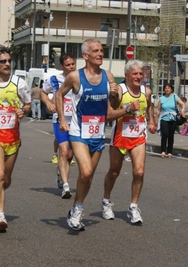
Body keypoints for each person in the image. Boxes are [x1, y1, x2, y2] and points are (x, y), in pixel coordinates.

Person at [56, 38, 122, 231]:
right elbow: (59, 94)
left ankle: (75, 208)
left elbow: (114, 107)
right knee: (85, 171)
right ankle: (78, 210)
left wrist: (114, 94)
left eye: (101, 50)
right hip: (78, 133)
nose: (100, 54)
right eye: (95, 51)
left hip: (98, 133)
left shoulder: (108, 75)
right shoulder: (76, 77)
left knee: (88, 176)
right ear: (85, 56)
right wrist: (62, 119)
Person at [101, 60, 156, 225]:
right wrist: (127, 109)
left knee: (139, 172)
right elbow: (109, 115)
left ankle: (133, 207)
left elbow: (149, 106)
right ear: (127, 76)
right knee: (114, 172)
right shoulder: (119, 90)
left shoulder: (146, 92)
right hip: (120, 137)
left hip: (139, 137)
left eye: (140, 74)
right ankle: (106, 201)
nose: (138, 77)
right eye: (135, 74)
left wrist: (152, 121)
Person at [0, 45, 30, 231]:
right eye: (3, 61)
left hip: (12, 137)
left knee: (6, 179)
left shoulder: (19, 83)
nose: (7, 64)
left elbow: (27, 104)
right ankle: (0, 216)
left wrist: (22, 111)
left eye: (9, 61)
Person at [41, 53, 76, 199]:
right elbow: (43, 92)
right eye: (68, 65)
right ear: (62, 66)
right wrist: (49, 103)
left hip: (76, 121)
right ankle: (66, 186)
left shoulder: (80, 78)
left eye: (73, 64)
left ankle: (59, 172)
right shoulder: (54, 79)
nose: (71, 67)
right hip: (59, 119)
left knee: (69, 155)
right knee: (63, 150)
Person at [156, 83, 186, 158]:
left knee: (171, 135)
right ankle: (163, 150)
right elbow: (158, 109)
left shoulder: (174, 96)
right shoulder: (161, 98)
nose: (167, 89)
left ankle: (169, 151)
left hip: (173, 118)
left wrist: (182, 110)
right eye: (165, 88)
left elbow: (182, 104)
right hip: (164, 118)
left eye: (169, 88)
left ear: (171, 89)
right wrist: (156, 119)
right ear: (164, 90)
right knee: (165, 134)